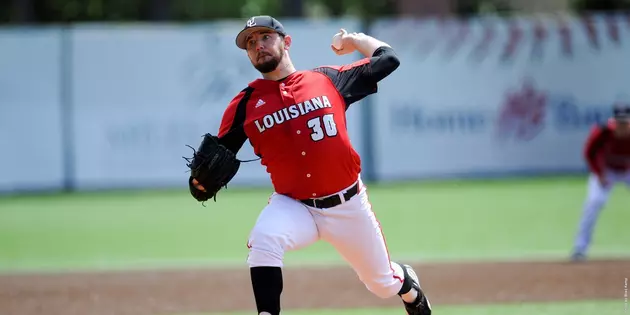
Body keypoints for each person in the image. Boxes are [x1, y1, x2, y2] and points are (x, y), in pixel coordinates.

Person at [212, 15, 432, 315]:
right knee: (264, 237)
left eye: (265, 37)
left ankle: (407, 286)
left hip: (347, 205)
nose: (258, 45)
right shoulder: (244, 105)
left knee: (382, 284)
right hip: (294, 205)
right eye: (250, 42)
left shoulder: (327, 80)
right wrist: (199, 183)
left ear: (286, 42)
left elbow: (388, 59)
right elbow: (217, 154)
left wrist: (354, 40)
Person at [571, 104, 630, 261]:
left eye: (626, 122)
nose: (623, 125)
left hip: (628, 170)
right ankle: (580, 248)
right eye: (620, 122)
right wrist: (599, 173)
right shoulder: (603, 132)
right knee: (594, 202)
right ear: (614, 121)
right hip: (606, 171)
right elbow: (588, 153)